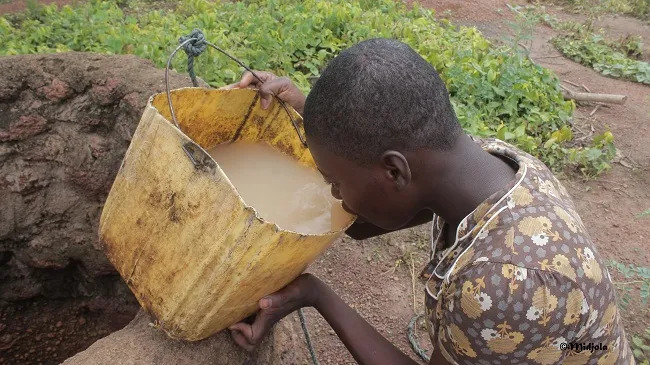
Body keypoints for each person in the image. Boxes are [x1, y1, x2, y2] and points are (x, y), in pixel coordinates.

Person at [225, 38, 633, 365]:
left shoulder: (498, 284)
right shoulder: (485, 165)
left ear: (395, 172)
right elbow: (371, 217)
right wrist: (311, 118)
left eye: (335, 182)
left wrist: (317, 296)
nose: (334, 195)